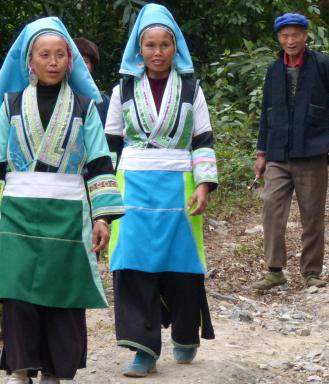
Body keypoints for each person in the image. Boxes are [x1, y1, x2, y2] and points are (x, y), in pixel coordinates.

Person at [0, 17, 124, 384]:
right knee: (18, 296)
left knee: (64, 297)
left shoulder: (85, 107)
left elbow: (100, 163)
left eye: (60, 55)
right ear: (30, 61)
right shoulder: (10, 105)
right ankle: (21, 369)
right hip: (19, 213)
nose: (53, 61)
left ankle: (56, 372)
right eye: (44, 54)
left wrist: (103, 218)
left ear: (70, 61)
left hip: (69, 213)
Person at [104, 4, 217, 378]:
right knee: (132, 264)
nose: (156, 52)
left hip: (178, 186)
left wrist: (203, 184)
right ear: (139, 50)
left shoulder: (190, 88)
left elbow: (202, 139)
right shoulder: (122, 89)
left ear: (175, 47)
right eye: (149, 45)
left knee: (181, 265)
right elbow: (110, 143)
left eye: (164, 44)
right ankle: (143, 349)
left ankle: (185, 334)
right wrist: (103, 196)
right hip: (131, 185)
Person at [252, 12, 329, 291]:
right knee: (271, 210)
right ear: (278, 38)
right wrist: (262, 152)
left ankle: (311, 272)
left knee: (312, 215)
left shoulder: (322, 65)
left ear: (305, 35)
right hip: (278, 154)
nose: (290, 40)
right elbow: (267, 112)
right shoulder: (274, 70)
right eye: (285, 35)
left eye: (295, 34)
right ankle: (274, 271)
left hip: (312, 152)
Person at [73, 37, 110, 127]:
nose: (80, 66)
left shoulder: (103, 101)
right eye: (76, 61)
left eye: (85, 61)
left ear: (92, 67)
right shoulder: (58, 95)